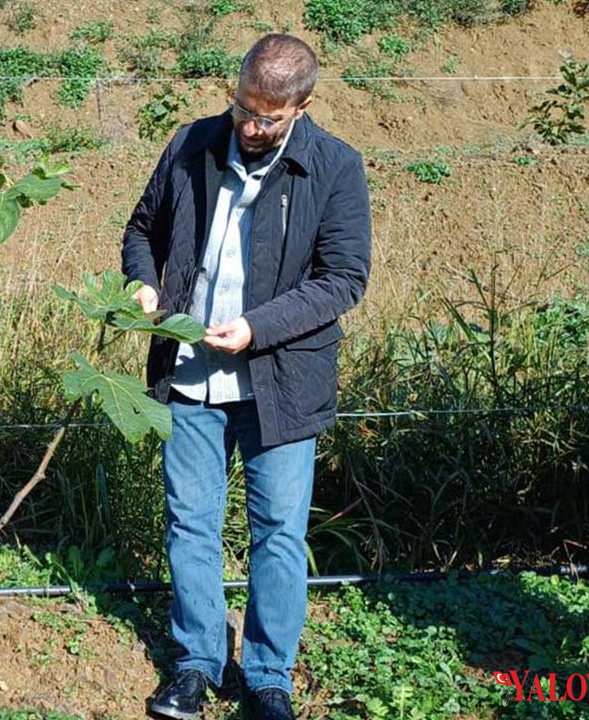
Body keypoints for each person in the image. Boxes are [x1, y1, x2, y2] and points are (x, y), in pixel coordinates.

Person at [121, 34, 372, 720]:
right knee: (190, 524)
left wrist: (258, 326)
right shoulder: (191, 144)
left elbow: (344, 279)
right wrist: (144, 285)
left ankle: (267, 679)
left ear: (303, 106)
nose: (252, 127)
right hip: (191, 373)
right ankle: (197, 665)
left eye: (269, 117)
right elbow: (141, 231)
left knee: (279, 533)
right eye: (244, 109)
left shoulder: (335, 167)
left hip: (283, 382)